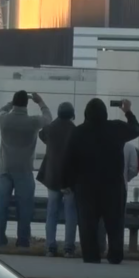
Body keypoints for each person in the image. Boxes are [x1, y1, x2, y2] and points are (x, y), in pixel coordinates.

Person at [62, 98, 139, 264]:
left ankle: (91, 256)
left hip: (85, 187)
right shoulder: (116, 128)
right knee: (115, 223)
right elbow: (135, 130)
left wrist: (68, 183)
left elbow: (69, 160)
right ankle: (115, 255)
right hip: (113, 185)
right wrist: (127, 111)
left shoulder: (78, 132)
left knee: (87, 224)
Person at [0, 91, 53, 248]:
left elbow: (2, 110)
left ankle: (0, 238)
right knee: (25, 207)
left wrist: (10, 104)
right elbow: (48, 119)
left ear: (15, 103)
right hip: (24, 170)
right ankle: (23, 240)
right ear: (26, 104)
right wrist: (41, 102)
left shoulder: (4, 119)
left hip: (5, 169)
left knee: (1, 206)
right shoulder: (32, 122)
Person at [36, 102, 77, 257]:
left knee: (51, 212)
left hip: (52, 178)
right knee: (70, 213)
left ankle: (50, 246)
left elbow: (42, 134)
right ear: (72, 114)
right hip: (70, 180)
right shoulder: (75, 131)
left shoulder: (50, 129)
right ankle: (68, 248)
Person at [97, 140, 139, 256]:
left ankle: (100, 247)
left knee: (100, 219)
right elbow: (133, 168)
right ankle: (115, 249)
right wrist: (126, 178)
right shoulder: (130, 147)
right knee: (118, 220)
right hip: (120, 188)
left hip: (101, 186)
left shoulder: (102, 144)